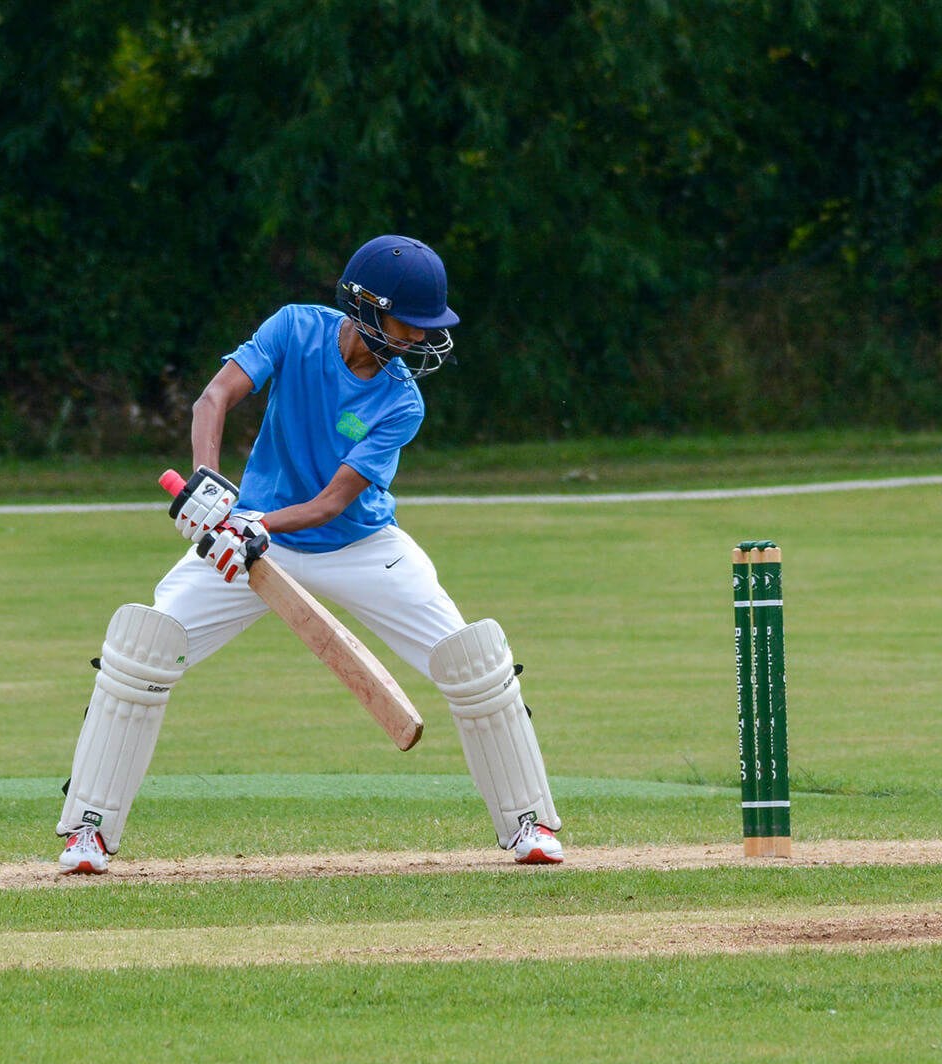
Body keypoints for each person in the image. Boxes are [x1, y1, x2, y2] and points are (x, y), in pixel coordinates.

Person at [56, 234, 565, 873]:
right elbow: (212, 398)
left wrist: (253, 524)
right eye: (411, 323)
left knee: (472, 661)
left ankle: (531, 824)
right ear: (366, 309)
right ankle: (88, 832)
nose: (422, 339)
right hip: (246, 536)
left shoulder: (402, 400)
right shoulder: (296, 328)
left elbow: (331, 502)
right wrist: (207, 485)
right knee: (142, 646)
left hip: (358, 544)